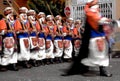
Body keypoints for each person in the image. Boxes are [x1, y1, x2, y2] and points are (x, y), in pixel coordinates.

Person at [62, 0, 112, 77]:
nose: (97, 3)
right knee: (96, 55)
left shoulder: (96, 11)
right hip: (95, 38)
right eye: (95, 2)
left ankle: (101, 70)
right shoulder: (91, 12)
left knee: (101, 55)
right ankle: (86, 68)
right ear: (92, 3)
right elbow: (97, 21)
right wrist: (105, 20)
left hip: (100, 36)